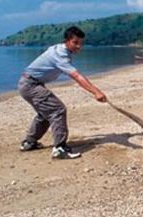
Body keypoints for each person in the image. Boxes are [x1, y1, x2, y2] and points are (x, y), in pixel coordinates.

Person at [18, 26, 107, 159]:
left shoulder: (61, 49)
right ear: (67, 41)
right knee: (57, 110)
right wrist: (96, 92)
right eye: (75, 42)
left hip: (29, 84)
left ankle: (29, 143)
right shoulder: (60, 55)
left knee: (45, 114)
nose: (79, 46)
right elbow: (77, 76)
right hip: (30, 85)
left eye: (81, 43)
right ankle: (60, 149)